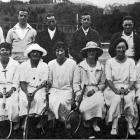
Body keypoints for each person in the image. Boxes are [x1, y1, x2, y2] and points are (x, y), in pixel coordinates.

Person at [104, 38, 138, 136]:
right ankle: (114, 124)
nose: (121, 50)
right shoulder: (109, 62)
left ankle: (130, 123)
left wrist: (127, 89)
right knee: (117, 99)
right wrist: (115, 90)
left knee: (127, 99)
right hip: (113, 89)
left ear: (126, 49)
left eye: (123, 47)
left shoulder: (131, 62)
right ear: (115, 49)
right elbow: (109, 79)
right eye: (119, 48)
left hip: (128, 88)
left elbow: (133, 79)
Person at [73, 41, 105, 132]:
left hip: (96, 91)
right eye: (89, 51)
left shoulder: (101, 67)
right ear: (86, 53)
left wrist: (95, 91)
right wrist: (78, 93)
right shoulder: (80, 66)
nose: (91, 52)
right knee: (82, 107)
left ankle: (95, 122)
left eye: (93, 51)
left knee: (99, 103)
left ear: (96, 53)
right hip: (83, 91)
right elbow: (76, 83)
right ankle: (86, 119)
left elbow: (103, 83)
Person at [18, 43, 48, 128]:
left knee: (38, 98)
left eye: (38, 52)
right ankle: (25, 118)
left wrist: (34, 92)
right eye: (33, 52)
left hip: (39, 88)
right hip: (26, 88)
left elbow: (44, 83)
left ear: (41, 54)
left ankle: (40, 118)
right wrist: (27, 93)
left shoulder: (44, 65)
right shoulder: (23, 65)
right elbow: (22, 83)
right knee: (23, 99)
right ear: (29, 54)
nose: (35, 54)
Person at [48, 41, 76, 128]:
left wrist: (73, 96)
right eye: (57, 51)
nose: (59, 53)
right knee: (51, 101)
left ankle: (65, 119)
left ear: (65, 51)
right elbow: (49, 81)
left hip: (67, 90)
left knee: (62, 102)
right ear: (54, 52)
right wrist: (46, 85)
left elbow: (74, 82)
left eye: (61, 50)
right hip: (54, 89)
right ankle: (52, 118)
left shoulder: (72, 63)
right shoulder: (51, 63)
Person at [0, 42, 19, 130]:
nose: (5, 52)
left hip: (12, 88)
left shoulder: (15, 64)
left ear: (10, 52)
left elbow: (16, 81)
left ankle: (14, 121)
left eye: (7, 50)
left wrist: (11, 91)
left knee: (12, 101)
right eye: (2, 50)